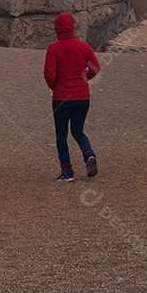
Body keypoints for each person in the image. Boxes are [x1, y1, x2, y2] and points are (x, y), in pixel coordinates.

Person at [44, 12, 101, 182]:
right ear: (72, 27)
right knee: (77, 130)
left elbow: (49, 74)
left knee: (61, 134)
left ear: (57, 28)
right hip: (82, 96)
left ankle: (67, 171)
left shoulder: (54, 48)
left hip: (62, 97)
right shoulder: (84, 47)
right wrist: (84, 79)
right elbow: (95, 68)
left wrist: (56, 87)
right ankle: (88, 154)